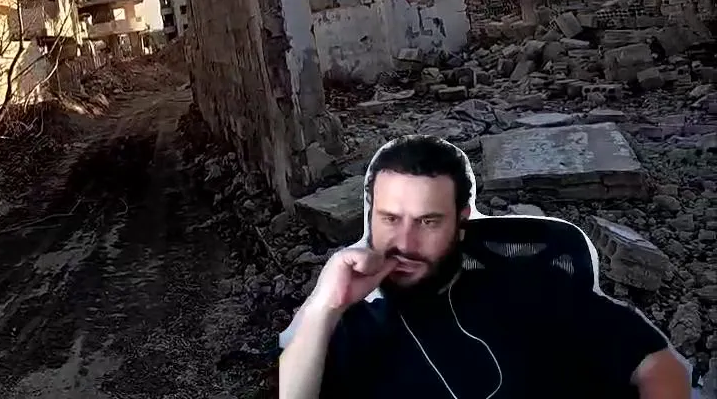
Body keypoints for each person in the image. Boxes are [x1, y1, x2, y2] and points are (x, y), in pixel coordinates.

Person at [277, 134, 689, 399]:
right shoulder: (354, 330)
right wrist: (324, 308)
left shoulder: (530, 289)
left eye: (428, 222)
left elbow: (657, 365)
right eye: (389, 219)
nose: (405, 243)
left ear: (461, 223)